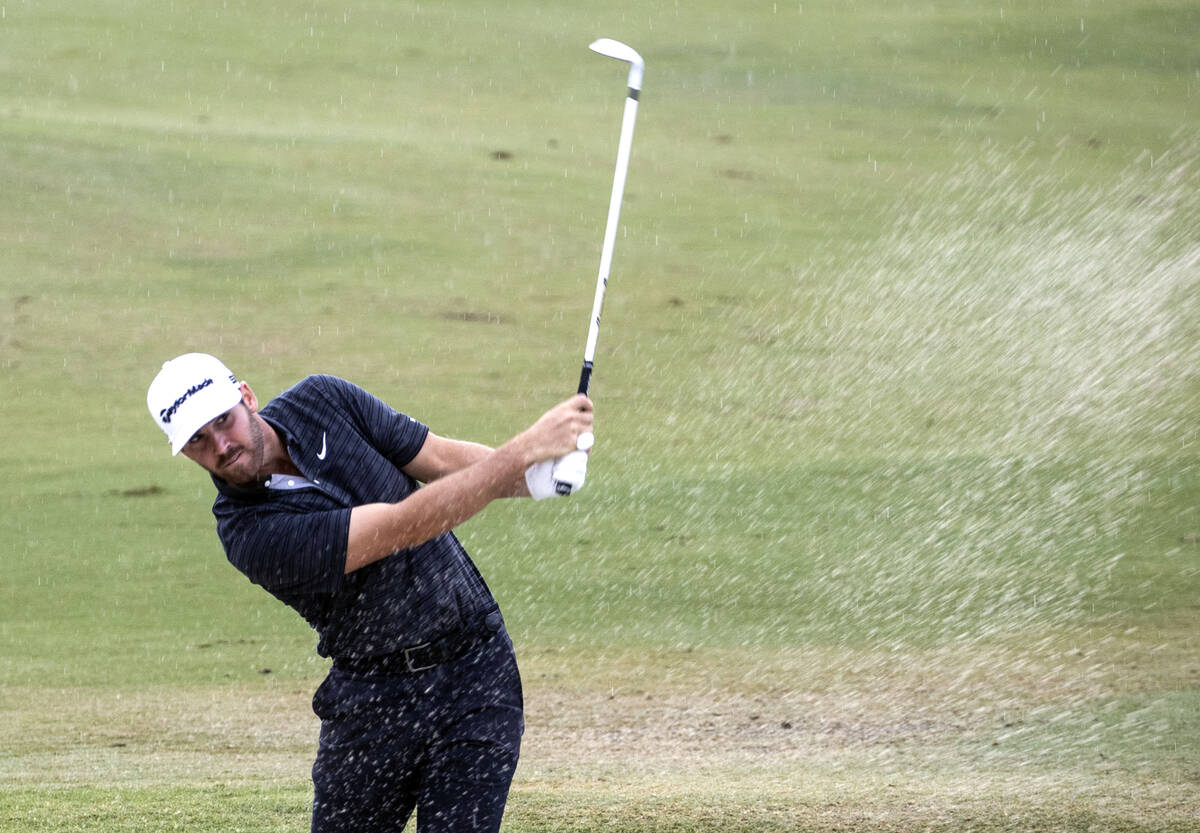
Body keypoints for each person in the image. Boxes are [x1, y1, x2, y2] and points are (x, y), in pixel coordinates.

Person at [146, 352, 594, 833]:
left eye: (222, 421)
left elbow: (440, 459)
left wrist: (537, 477)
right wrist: (524, 449)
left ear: (247, 397)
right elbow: (406, 524)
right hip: (373, 704)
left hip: (476, 672)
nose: (220, 445)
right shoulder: (248, 533)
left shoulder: (323, 399)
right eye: (197, 440)